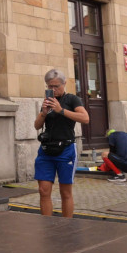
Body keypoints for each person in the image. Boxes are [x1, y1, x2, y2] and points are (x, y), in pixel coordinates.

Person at [33, 68, 90, 218]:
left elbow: (85, 118)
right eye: (49, 86)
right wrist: (44, 112)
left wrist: (61, 110)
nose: (52, 89)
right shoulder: (48, 101)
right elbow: (37, 126)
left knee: (65, 192)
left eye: (56, 86)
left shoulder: (72, 99)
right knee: (43, 190)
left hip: (65, 149)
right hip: (46, 150)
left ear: (64, 84)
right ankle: (47, 224)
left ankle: (67, 225)